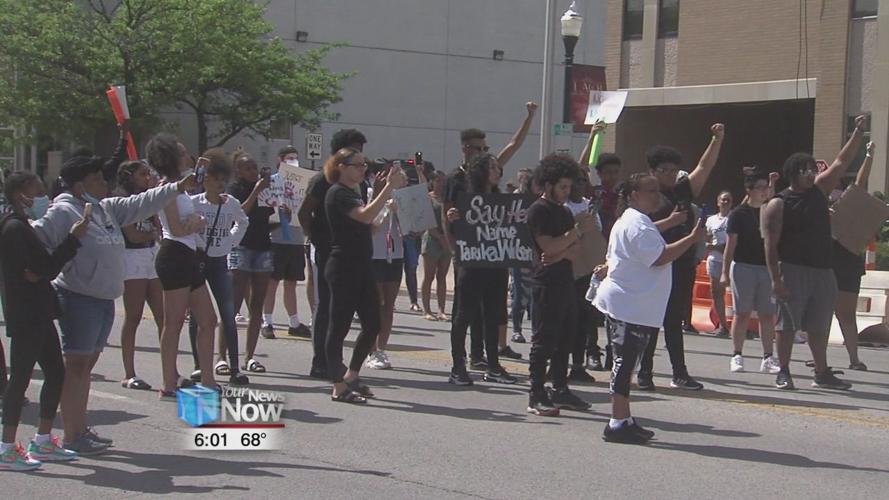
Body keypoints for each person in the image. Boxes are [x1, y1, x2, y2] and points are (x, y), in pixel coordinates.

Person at [32, 155, 194, 454]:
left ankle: (80, 429)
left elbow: (141, 203)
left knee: (85, 367)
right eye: (98, 178)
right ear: (81, 184)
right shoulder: (64, 210)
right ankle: (71, 435)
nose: (105, 183)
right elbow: (35, 238)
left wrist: (175, 188)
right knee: (77, 368)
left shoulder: (104, 208)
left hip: (103, 299)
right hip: (79, 299)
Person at [594, 173, 705, 444]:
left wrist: (674, 221)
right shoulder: (637, 224)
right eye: (650, 190)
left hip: (633, 304)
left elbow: (649, 234)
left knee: (628, 363)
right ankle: (617, 422)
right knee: (624, 363)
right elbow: (659, 256)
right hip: (628, 305)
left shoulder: (636, 220)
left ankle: (625, 419)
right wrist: (692, 238)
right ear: (634, 195)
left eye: (657, 190)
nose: (657, 195)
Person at [763, 115, 868, 390]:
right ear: (792, 173)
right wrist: (776, 280)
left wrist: (858, 132)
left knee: (819, 325)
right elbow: (770, 246)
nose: (810, 173)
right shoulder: (778, 204)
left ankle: (821, 373)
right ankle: (783, 371)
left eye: (812, 169)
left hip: (823, 270)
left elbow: (841, 162)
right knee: (786, 325)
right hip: (792, 269)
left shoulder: (820, 191)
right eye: (804, 170)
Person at [442, 102, 538, 370]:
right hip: (467, 252)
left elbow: (514, 144)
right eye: (478, 148)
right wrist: (453, 249)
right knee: (465, 309)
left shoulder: (491, 176)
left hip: (492, 255)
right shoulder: (455, 179)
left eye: (486, 149)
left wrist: (529, 117)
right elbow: (447, 213)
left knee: (489, 308)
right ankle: (462, 360)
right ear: (465, 148)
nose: (484, 153)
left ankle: (481, 356)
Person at [0, 172, 86, 471]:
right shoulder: (13, 228)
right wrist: (73, 239)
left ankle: (43, 438)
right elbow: (45, 268)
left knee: (55, 372)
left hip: (39, 310)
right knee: (21, 378)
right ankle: (7, 448)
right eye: (37, 190)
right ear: (21, 193)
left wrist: (40, 269)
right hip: (26, 313)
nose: (42, 197)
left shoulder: (23, 226)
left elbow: (40, 270)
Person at [637, 123, 725, 392]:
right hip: (655, 265)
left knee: (674, 321)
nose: (670, 175)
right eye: (664, 170)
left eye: (674, 170)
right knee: (651, 321)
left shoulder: (683, 190)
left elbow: (704, 167)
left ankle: (679, 373)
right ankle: (644, 372)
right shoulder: (644, 195)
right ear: (652, 171)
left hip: (682, 264)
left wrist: (717, 139)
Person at [324, 147, 406, 403]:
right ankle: (337, 385)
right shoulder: (338, 193)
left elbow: (370, 226)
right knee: (339, 326)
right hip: (343, 266)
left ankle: (352, 374)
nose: (363, 169)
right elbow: (363, 215)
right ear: (341, 167)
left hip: (362, 265)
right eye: (357, 165)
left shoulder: (355, 192)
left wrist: (387, 208)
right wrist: (388, 189)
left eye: (364, 165)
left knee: (373, 323)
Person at [523, 154, 597, 416]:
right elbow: (548, 246)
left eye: (569, 187)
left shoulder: (565, 212)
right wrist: (573, 234)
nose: (567, 192)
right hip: (546, 283)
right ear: (548, 185)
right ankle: (536, 393)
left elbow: (574, 252)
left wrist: (562, 249)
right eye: (563, 187)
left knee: (565, 337)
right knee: (544, 340)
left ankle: (560, 388)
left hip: (566, 279)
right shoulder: (539, 210)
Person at [147, 134, 219, 397]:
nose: (187, 154)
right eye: (182, 151)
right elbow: (176, 228)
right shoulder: (166, 188)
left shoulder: (181, 186)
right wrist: (197, 222)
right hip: (174, 254)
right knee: (174, 321)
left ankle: (208, 379)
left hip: (189, 254)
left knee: (209, 320)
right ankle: (168, 381)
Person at [296, 129, 369, 380]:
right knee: (326, 307)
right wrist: (314, 239)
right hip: (328, 251)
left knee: (345, 311)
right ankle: (322, 362)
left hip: (353, 252)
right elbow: (304, 213)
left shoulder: (358, 181)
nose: (361, 157)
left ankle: (338, 363)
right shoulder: (322, 181)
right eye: (355, 149)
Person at [445, 154, 518, 386]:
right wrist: (452, 219)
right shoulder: (468, 198)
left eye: (498, 167)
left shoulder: (501, 199)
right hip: (473, 264)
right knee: (464, 315)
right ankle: (458, 366)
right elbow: (457, 227)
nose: (498, 171)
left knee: (493, 315)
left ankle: (494, 365)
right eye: (493, 167)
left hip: (496, 264)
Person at [188, 150, 250, 386]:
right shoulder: (195, 203)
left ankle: (235, 367)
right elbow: (186, 226)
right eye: (215, 178)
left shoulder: (230, 203)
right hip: (199, 260)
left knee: (228, 313)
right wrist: (199, 243)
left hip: (220, 261)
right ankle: (198, 365)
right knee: (198, 316)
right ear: (205, 180)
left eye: (223, 179)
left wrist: (231, 242)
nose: (219, 183)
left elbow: (243, 222)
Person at [722, 169, 781, 373]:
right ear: (749, 190)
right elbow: (730, 245)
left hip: (766, 268)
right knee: (742, 312)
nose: (764, 191)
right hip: (743, 267)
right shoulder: (738, 214)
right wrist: (724, 272)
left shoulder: (768, 210)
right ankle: (737, 354)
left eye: (766, 187)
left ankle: (768, 357)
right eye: (760, 188)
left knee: (767, 314)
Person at [115, 161, 163, 391]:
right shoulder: (123, 199)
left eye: (148, 173)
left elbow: (158, 228)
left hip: (151, 254)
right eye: (143, 174)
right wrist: (151, 232)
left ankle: (170, 371)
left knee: (164, 315)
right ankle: (128, 372)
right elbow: (132, 235)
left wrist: (152, 231)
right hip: (132, 258)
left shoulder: (147, 198)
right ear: (129, 175)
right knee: (133, 316)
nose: (147, 177)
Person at [225, 152, 274, 374]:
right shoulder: (235, 190)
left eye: (254, 168)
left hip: (262, 247)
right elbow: (240, 212)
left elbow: (268, 218)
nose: (253, 172)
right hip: (241, 247)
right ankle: (222, 357)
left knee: (257, 305)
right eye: (248, 168)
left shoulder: (265, 190)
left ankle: (250, 356)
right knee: (233, 303)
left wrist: (282, 212)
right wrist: (257, 190)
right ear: (238, 171)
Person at [829, 141, 875, 371]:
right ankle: (820, 359)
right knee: (823, 312)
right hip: (827, 261)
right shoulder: (818, 196)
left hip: (848, 261)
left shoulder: (850, 196)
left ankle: (854, 358)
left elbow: (861, 181)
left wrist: (868, 156)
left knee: (846, 314)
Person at [261, 145, 311, 339]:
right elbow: (264, 212)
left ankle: (294, 322)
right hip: (277, 239)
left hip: (296, 240)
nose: (293, 161)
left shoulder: (304, 184)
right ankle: (268, 321)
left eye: (295, 158)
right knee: (272, 282)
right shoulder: (270, 183)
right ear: (280, 161)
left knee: (291, 283)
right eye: (289, 158)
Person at [364, 164, 406, 370]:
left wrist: (401, 215)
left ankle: (381, 349)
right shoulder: (372, 193)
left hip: (395, 255)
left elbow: (413, 229)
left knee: (388, 305)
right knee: (374, 304)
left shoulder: (401, 198)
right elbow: (367, 223)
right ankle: (370, 349)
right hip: (374, 255)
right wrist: (381, 201)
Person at [564, 173, 597, 384]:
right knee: (563, 320)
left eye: (583, 181)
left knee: (582, 319)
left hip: (585, 270)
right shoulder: (563, 206)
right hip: (565, 268)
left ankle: (578, 365)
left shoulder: (590, 207)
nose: (579, 185)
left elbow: (597, 235)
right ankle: (556, 364)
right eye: (576, 181)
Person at [421, 171, 452, 321]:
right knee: (429, 276)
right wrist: (440, 237)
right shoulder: (428, 198)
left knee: (442, 276)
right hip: (432, 239)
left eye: (442, 181)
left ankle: (441, 309)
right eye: (437, 180)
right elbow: (426, 221)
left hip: (446, 240)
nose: (440, 183)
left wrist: (447, 239)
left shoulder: (447, 199)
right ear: (432, 182)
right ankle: (427, 310)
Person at [705, 190, 733, 337]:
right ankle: (723, 325)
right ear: (718, 202)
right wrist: (708, 245)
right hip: (715, 260)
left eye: (728, 200)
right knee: (716, 293)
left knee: (736, 294)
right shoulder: (711, 221)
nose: (725, 202)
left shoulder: (734, 218)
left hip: (732, 260)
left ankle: (742, 325)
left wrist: (717, 247)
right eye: (723, 200)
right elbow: (708, 237)